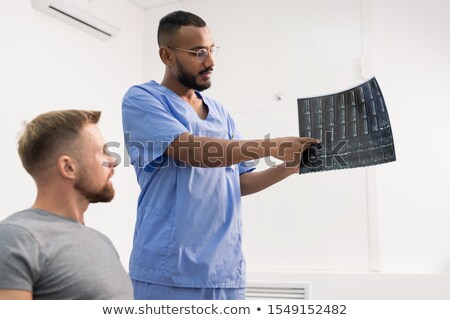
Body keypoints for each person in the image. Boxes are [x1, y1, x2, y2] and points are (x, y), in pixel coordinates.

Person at [122, 10, 319, 300]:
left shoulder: (221, 113)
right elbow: (193, 151)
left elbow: (236, 183)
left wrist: (286, 168)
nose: (210, 61)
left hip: (225, 272)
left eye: (212, 50)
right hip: (168, 271)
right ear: (166, 55)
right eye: (198, 52)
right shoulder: (143, 99)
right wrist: (269, 146)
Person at [0, 110, 133, 300]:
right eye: (102, 153)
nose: (113, 161)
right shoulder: (15, 237)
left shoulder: (103, 242)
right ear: (68, 167)